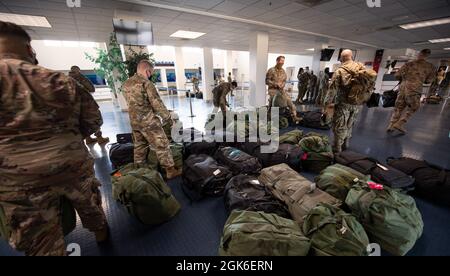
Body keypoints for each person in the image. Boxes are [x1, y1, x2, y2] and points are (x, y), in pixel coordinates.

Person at [0, 21, 109, 256]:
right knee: (90, 206)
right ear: (29, 49)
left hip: (16, 180)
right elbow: (93, 121)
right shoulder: (61, 81)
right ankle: (101, 235)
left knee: (42, 242)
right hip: (72, 165)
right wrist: (64, 139)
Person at [122, 60, 181, 179]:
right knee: (162, 144)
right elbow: (156, 103)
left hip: (134, 122)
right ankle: (170, 170)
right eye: (151, 73)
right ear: (147, 71)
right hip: (148, 122)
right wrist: (168, 119)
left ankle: (139, 170)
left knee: (139, 146)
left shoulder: (126, 84)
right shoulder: (146, 83)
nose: (151, 75)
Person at [324, 49, 365, 153]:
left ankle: (337, 148)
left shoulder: (340, 71)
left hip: (343, 103)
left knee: (340, 125)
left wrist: (326, 105)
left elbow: (332, 90)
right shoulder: (361, 68)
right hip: (356, 103)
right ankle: (346, 144)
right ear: (351, 56)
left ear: (342, 58)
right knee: (350, 124)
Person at [387, 49, 436, 134]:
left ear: (419, 54)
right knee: (414, 106)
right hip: (415, 89)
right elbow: (428, 81)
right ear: (427, 56)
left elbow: (397, 75)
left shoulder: (408, 64)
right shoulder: (430, 67)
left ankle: (391, 125)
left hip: (402, 88)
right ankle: (400, 123)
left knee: (398, 107)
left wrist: (404, 80)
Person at [69, 65, 110, 145]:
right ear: (78, 71)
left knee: (82, 122)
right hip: (86, 105)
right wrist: (83, 77)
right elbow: (91, 88)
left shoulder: (66, 80)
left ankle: (88, 139)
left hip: (74, 106)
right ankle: (99, 138)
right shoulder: (80, 77)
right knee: (95, 120)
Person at [266, 56, 301, 122]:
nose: (282, 63)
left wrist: (282, 85)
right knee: (272, 103)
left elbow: (284, 80)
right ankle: (269, 117)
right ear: (277, 61)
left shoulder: (283, 71)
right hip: (273, 90)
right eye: (281, 61)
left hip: (281, 90)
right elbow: (267, 81)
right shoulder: (271, 70)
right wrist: (275, 84)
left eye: (283, 61)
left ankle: (294, 116)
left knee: (290, 102)